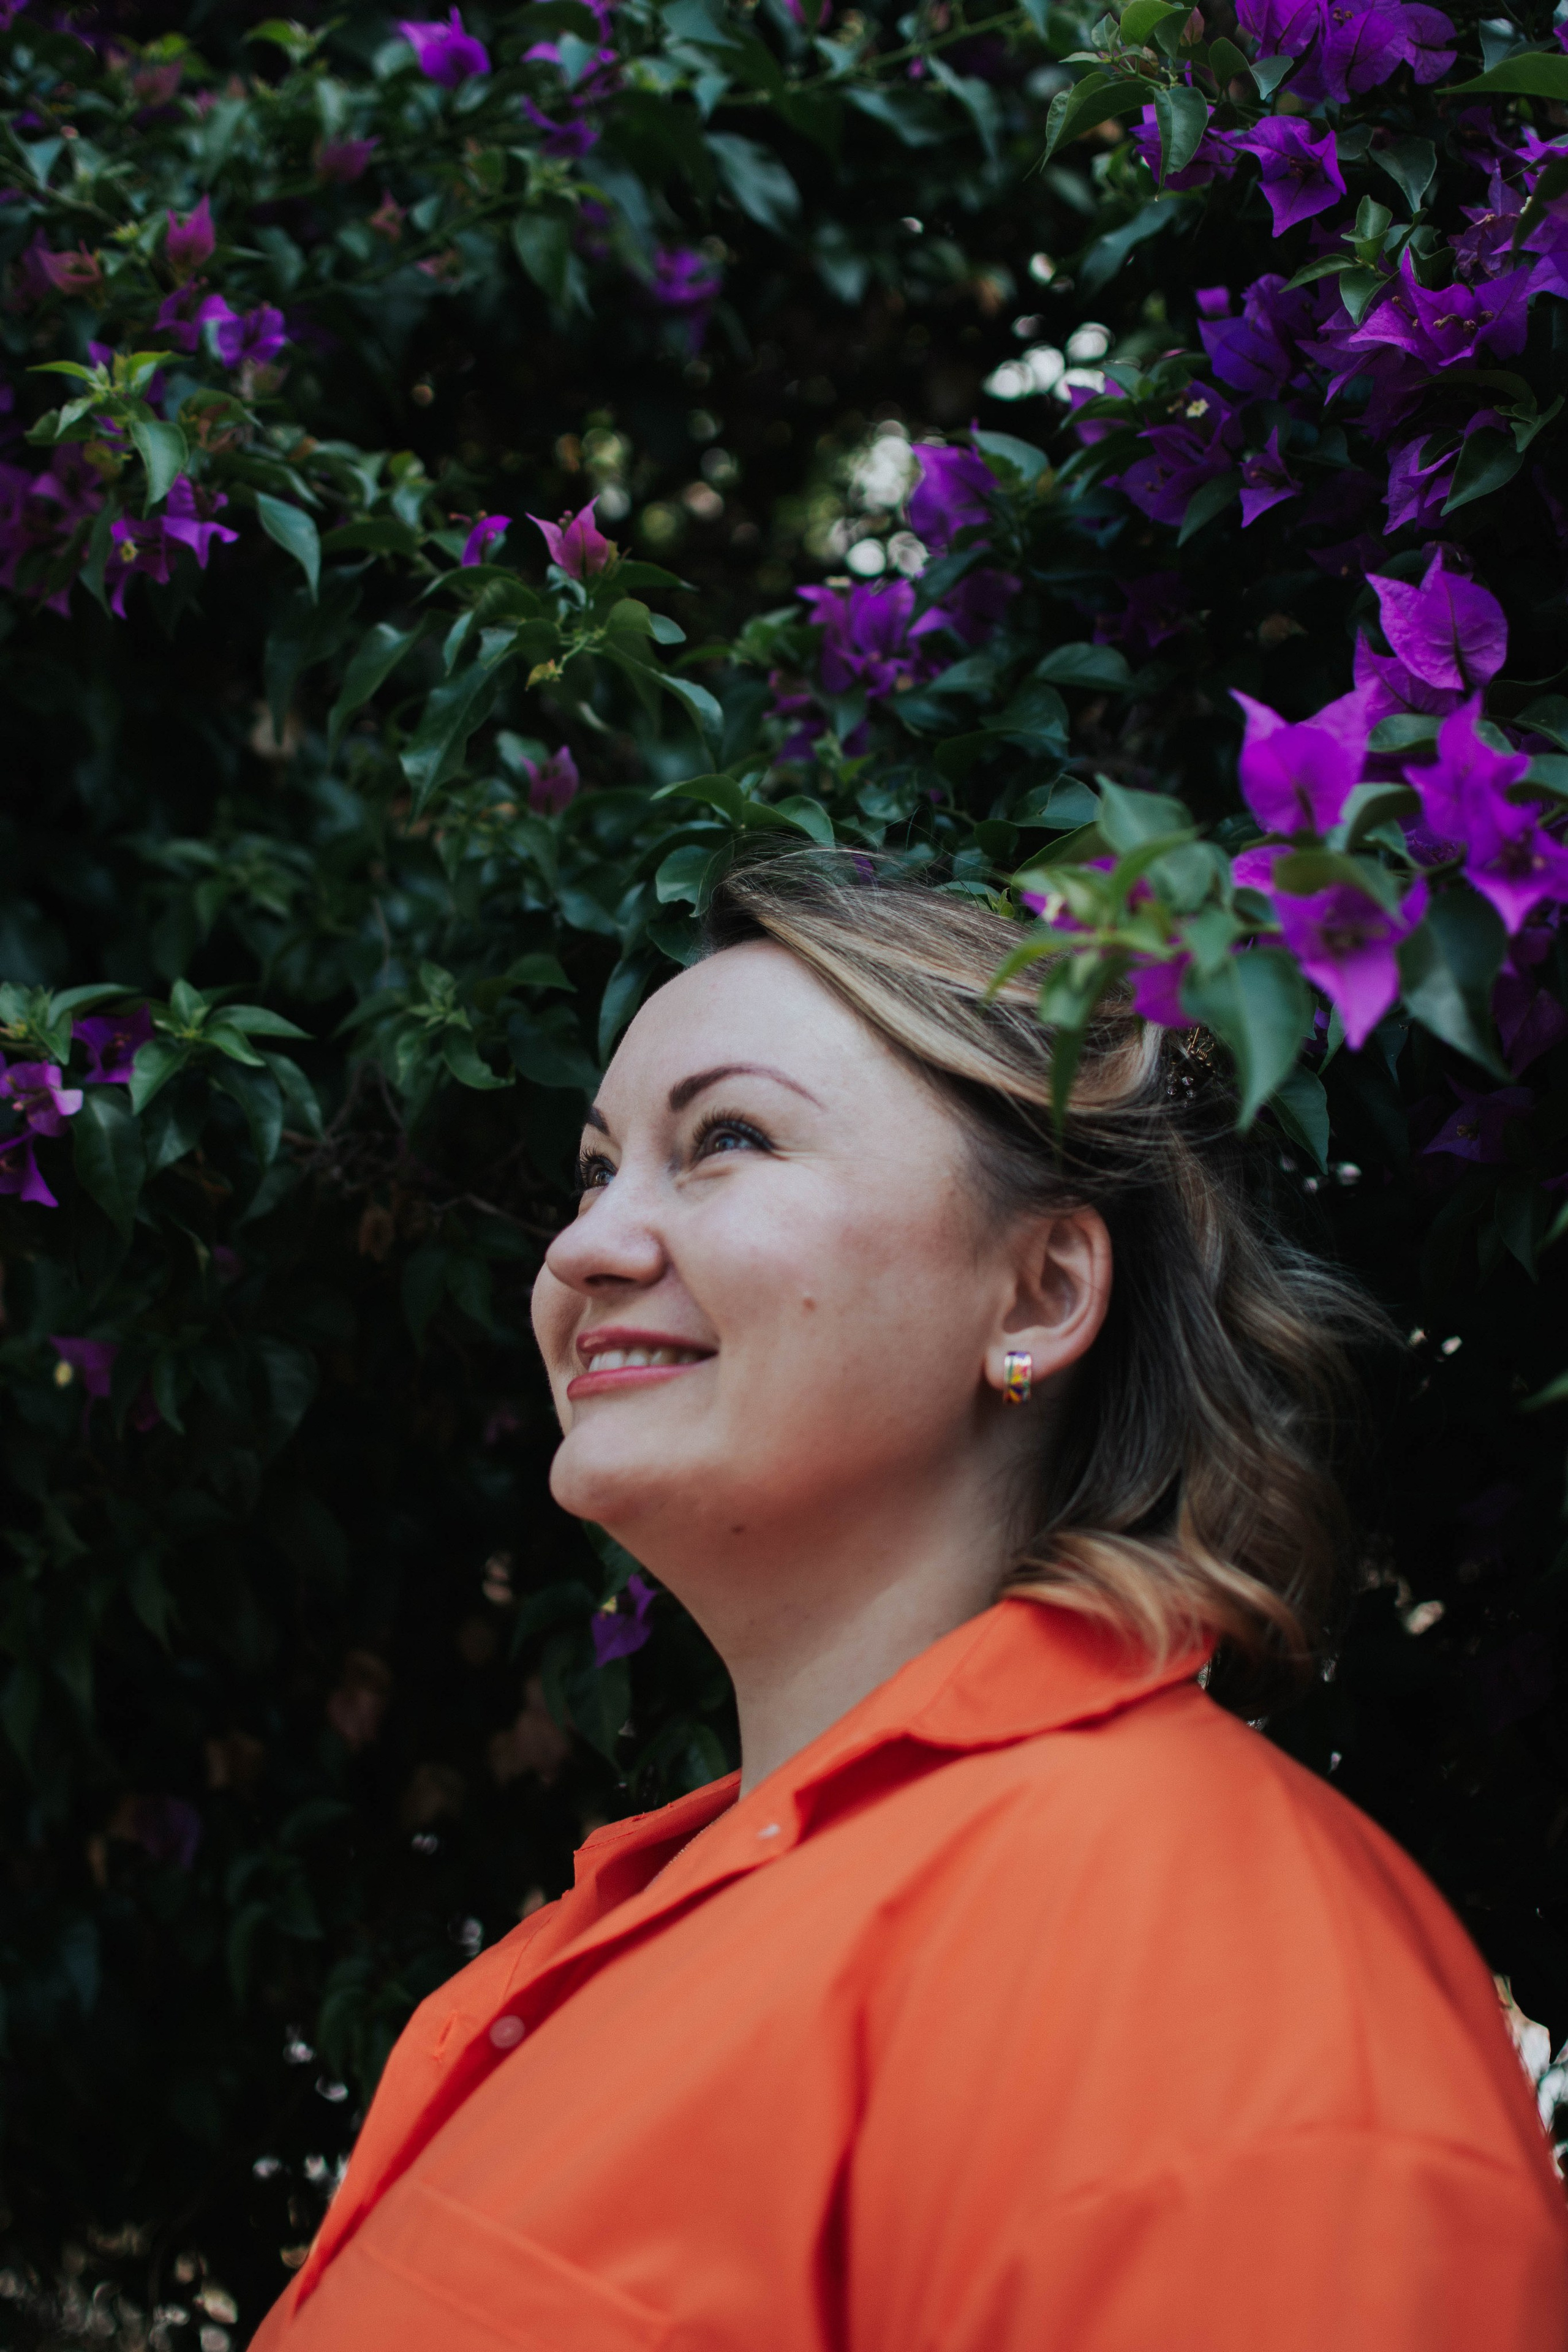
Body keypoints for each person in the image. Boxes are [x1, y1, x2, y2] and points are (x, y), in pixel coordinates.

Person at [251, 851, 1568, 2352]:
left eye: (726, 1139)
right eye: (593, 1168)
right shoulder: (608, 1937)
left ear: (1037, 1297)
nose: (579, 1248)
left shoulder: (1196, 1958)